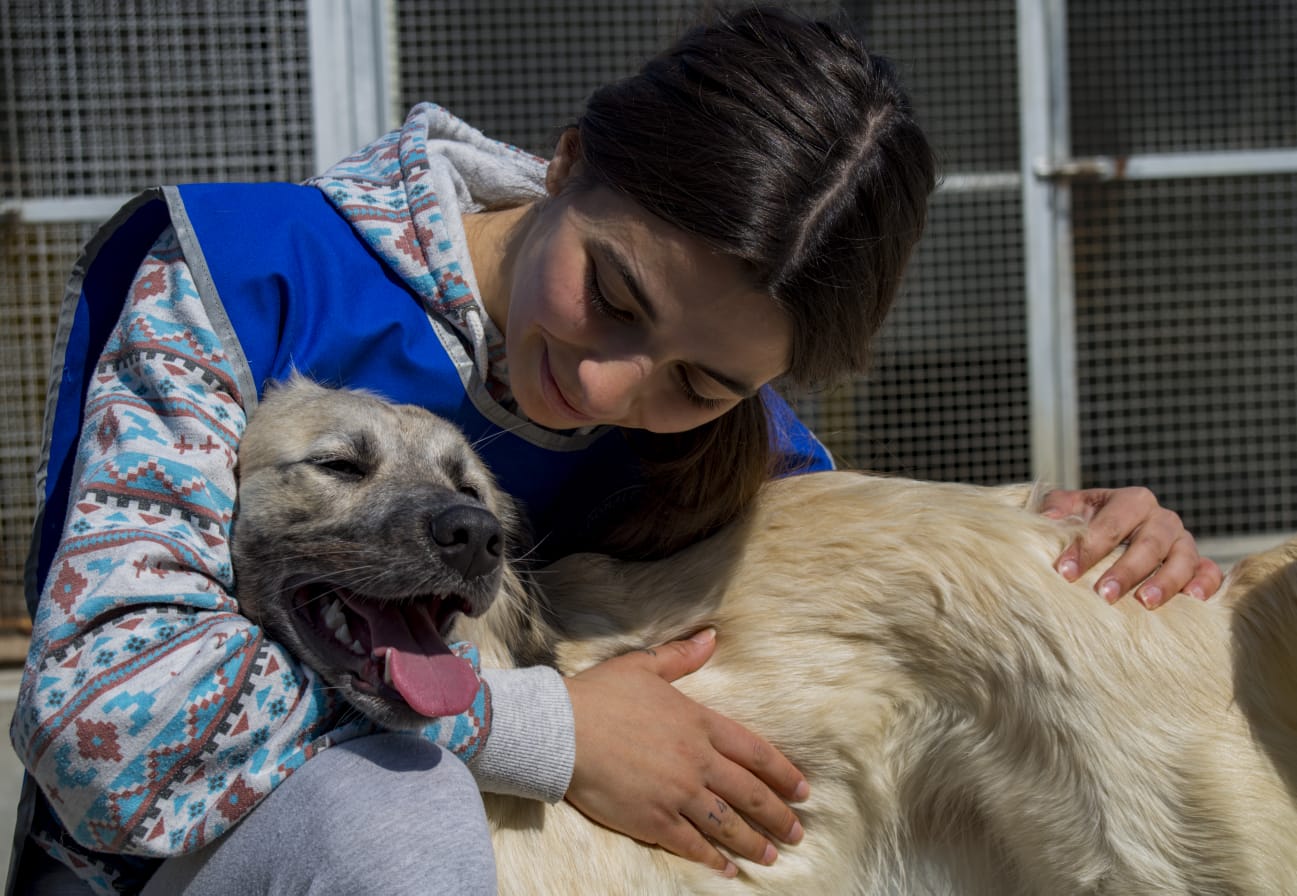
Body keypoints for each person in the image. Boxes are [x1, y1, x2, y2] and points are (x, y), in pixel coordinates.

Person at [8, 6, 1221, 894]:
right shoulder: (244, 274)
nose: (602, 385)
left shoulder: (715, 440)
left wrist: (1066, 540)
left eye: (698, 379)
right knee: (389, 808)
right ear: (570, 162)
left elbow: (835, 556)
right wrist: (549, 729)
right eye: (613, 291)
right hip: (163, 863)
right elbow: (107, 721)